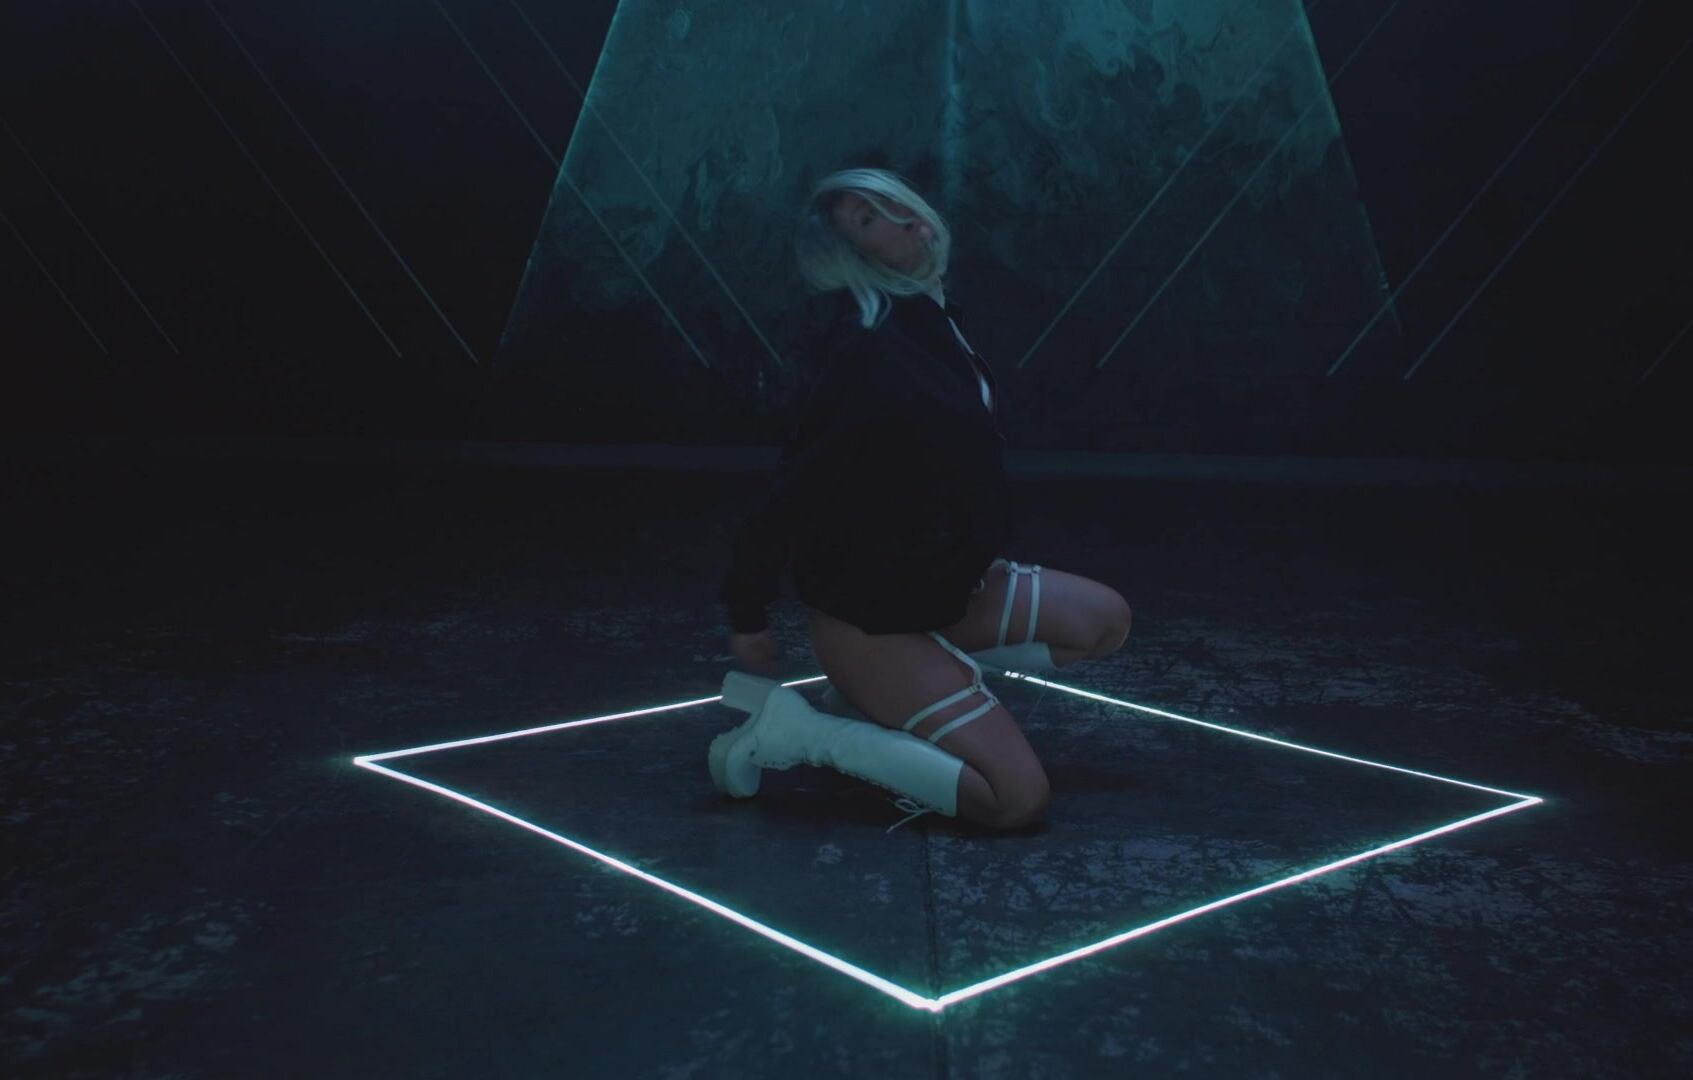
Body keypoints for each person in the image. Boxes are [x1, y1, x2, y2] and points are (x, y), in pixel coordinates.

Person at [712, 166, 1133, 831]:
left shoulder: (925, 315)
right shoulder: (866, 348)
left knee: (1104, 622)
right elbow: (793, 486)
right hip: (869, 621)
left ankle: (894, 693)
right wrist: (747, 610)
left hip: (943, 592)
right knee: (1014, 800)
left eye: (888, 202)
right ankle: (802, 732)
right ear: (849, 254)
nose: (897, 217)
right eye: (866, 219)